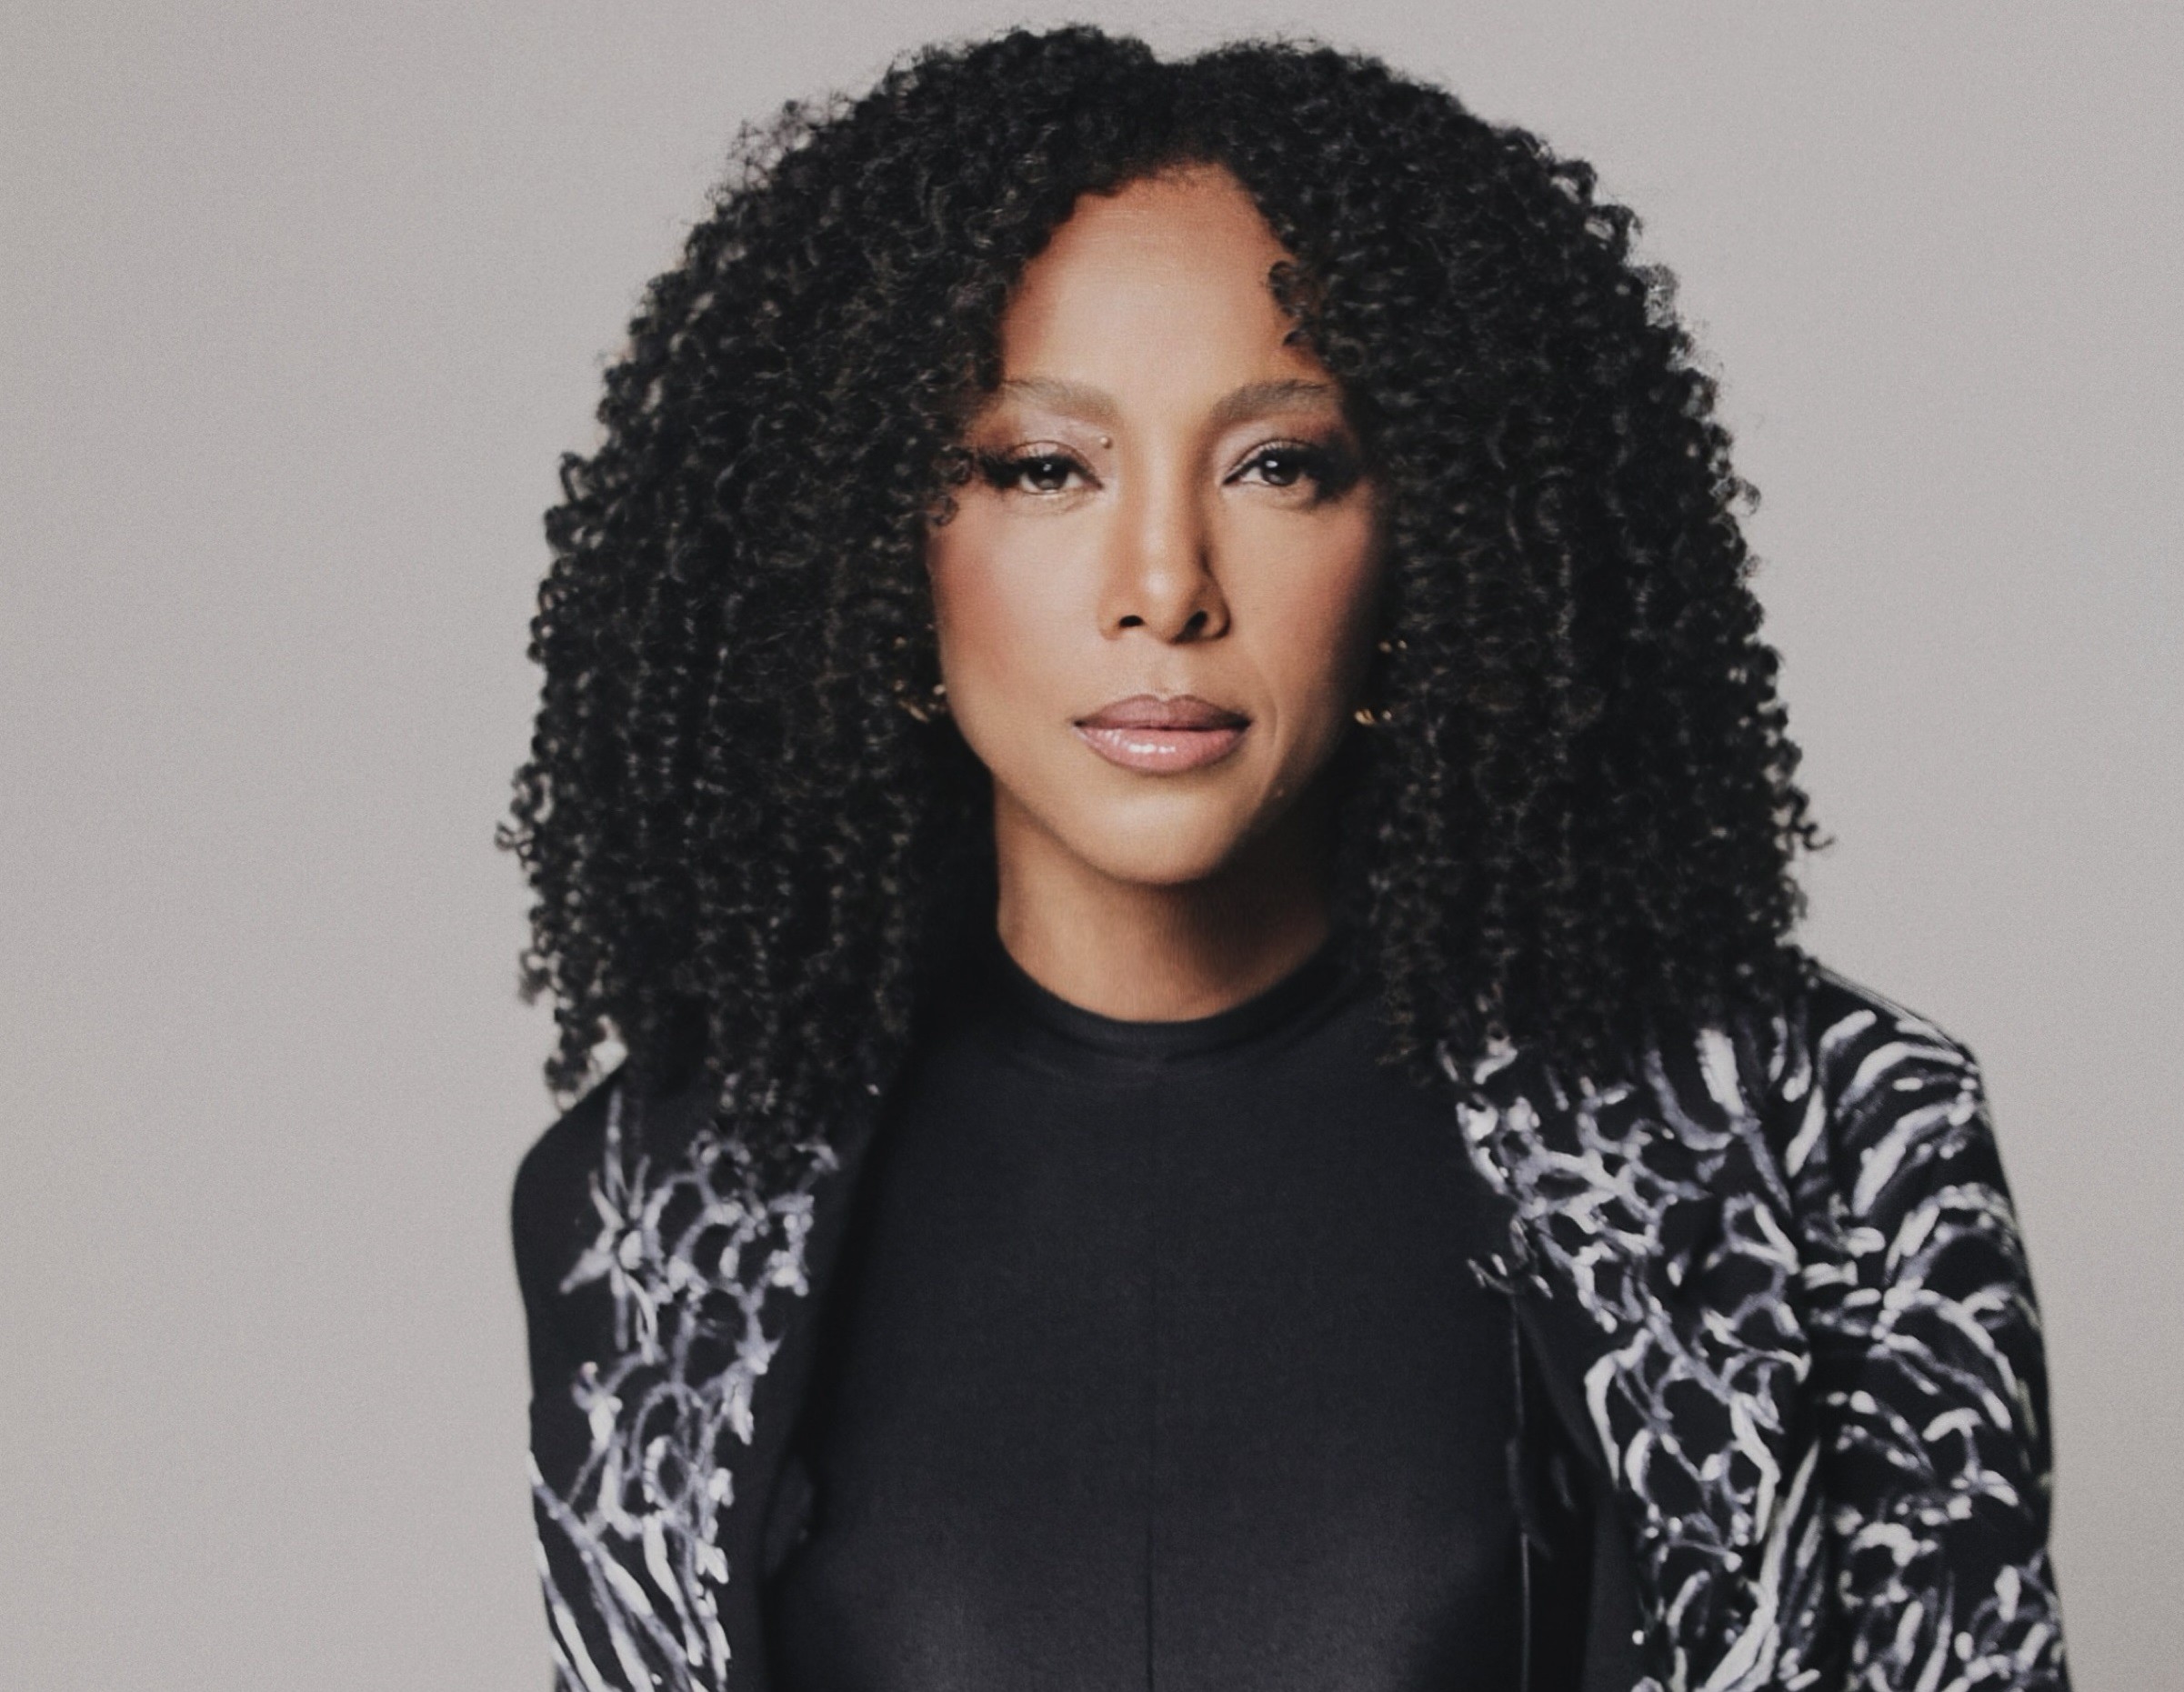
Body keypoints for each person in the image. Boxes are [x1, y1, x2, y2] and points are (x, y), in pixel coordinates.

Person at [503, 27, 2069, 1692]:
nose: (1165, 584)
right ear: (875, 546)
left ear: (1427, 537)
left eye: (1278, 465)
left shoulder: (1822, 1155)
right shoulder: (651, 1209)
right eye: (1044, 466)